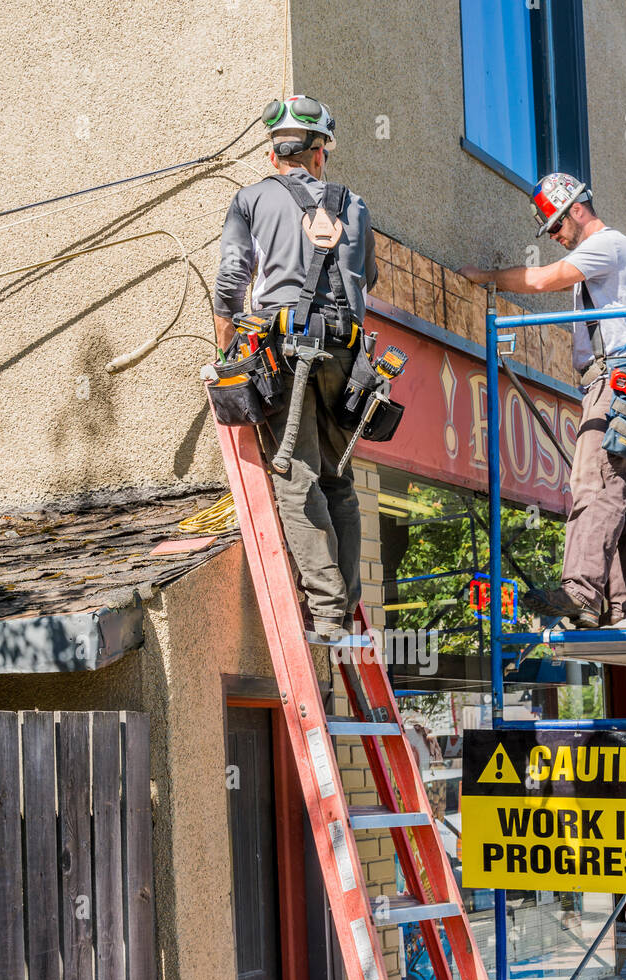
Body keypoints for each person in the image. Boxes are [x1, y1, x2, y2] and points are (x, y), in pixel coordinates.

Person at [460, 172, 626, 630]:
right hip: (616, 384)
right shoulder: (599, 258)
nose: (555, 237)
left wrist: (487, 278)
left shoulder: (607, 245)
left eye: (556, 226)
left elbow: (541, 279)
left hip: (617, 383)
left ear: (577, 210)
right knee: (619, 495)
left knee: (594, 485)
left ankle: (580, 591)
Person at [213, 96, 378, 639]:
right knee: (339, 479)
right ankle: (346, 604)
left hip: (285, 350)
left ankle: (329, 613)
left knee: (295, 476)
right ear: (319, 153)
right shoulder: (354, 205)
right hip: (347, 355)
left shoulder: (250, 200)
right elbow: (365, 278)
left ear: (272, 154)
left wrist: (227, 358)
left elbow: (230, 285)